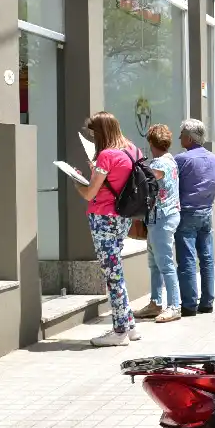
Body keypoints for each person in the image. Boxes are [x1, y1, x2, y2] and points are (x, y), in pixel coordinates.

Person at [76, 112, 140, 347]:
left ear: (101, 132)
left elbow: (90, 193)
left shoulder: (106, 155)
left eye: (94, 133)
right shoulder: (132, 150)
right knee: (116, 272)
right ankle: (130, 325)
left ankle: (119, 331)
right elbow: (118, 179)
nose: (93, 138)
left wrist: (76, 181)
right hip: (123, 217)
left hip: (104, 219)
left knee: (112, 276)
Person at [133, 125, 182, 324]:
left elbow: (146, 180)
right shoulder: (171, 160)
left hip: (162, 218)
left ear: (151, 143)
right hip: (161, 218)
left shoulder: (160, 164)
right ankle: (155, 302)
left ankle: (174, 306)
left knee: (165, 264)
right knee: (155, 263)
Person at [175, 119, 215, 316]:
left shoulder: (181, 160)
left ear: (189, 138)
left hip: (187, 212)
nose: (179, 138)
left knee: (187, 259)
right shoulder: (214, 159)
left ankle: (189, 304)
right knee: (207, 258)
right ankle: (207, 302)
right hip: (206, 211)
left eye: (182, 135)